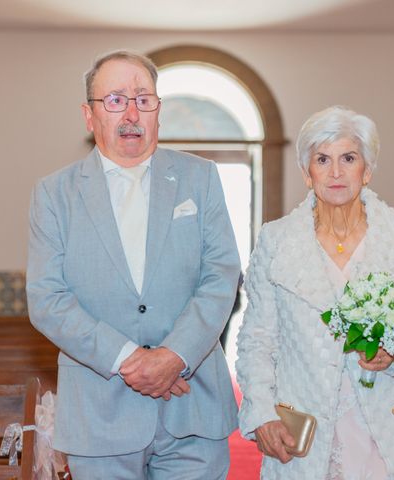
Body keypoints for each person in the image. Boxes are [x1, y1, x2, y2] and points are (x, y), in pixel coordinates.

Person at [27, 50, 241, 479]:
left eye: (143, 99)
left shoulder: (200, 178)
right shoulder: (55, 193)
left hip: (192, 407)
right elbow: (47, 299)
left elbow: (221, 275)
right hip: (99, 412)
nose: (131, 113)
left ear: (157, 111)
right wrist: (131, 360)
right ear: (89, 116)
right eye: (115, 100)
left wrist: (174, 355)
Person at [236, 106, 394, 479]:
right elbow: (257, 339)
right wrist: (261, 414)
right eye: (323, 159)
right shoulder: (276, 240)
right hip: (307, 426)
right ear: (307, 173)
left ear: (366, 170)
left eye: (348, 158)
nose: (335, 172)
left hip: (385, 421)